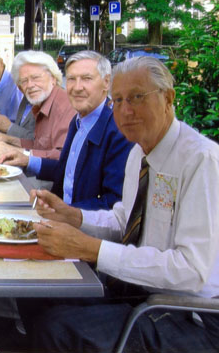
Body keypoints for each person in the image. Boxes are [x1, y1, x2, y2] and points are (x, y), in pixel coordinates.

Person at [18, 56, 219, 352]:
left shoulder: (201, 160)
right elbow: (126, 219)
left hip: (189, 314)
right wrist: (73, 216)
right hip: (139, 289)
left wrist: (90, 248)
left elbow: (190, 270)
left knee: (57, 329)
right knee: (32, 290)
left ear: (168, 98)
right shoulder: (140, 152)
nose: (125, 111)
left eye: (137, 98)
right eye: (119, 100)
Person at [0, 51, 133, 209]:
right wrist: (28, 160)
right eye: (72, 79)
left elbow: (114, 203)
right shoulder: (78, 121)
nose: (77, 87)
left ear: (106, 82)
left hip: (80, 226)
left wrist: (64, 213)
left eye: (86, 79)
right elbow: (66, 171)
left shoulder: (118, 130)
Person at [0, 50, 76, 160]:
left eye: (36, 78)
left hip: (46, 176)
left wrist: (15, 150)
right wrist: (6, 138)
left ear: (53, 78)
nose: (30, 85)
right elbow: (39, 146)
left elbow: (61, 158)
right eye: (24, 81)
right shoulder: (41, 102)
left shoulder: (64, 105)